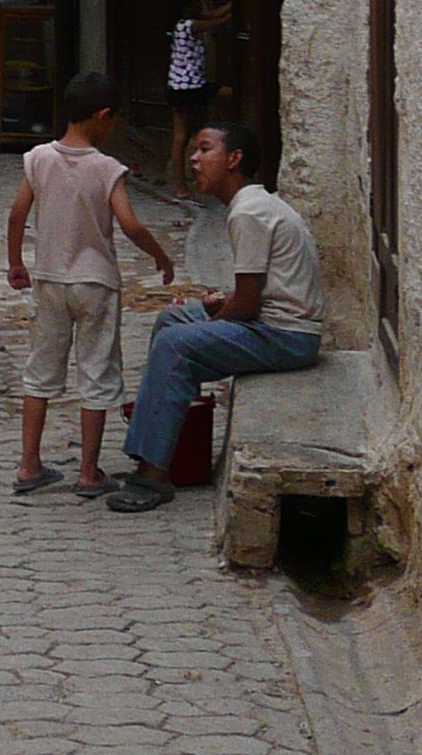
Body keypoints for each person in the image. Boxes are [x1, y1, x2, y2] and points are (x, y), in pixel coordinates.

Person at [107, 116, 323, 513]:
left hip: (287, 335)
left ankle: (153, 473)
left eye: (205, 149)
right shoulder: (251, 205)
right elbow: (250, 295)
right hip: (271, 322)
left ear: (233, 159)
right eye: (194, 150)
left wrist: (221, 311)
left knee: (176, 345)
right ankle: (171, 446)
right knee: (171, 320)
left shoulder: (249, 213)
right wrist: (217, 307)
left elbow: (248, 305)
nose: (194, 159)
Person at [6, 72, 176, 499]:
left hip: (48, 281)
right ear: (102, 117)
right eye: (113, 121)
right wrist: (158, 253)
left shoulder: (38, 158)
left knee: (40, 373)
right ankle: (88, 472)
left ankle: (29, 466)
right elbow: (130, 222)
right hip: (96, 283)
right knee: (97, 373)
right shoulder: (106, 168)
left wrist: (15, 262)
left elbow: (17, 214)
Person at [167, 0, 233, 191]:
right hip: (191, 86)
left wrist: (234, 3)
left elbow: (213, 15)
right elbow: (215, 21)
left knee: (181, 136)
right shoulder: (189, 26)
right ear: (188, 7)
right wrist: (233, 14)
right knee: (230, 94)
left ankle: (180, 186)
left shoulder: (182, 24)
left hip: (176, 87)